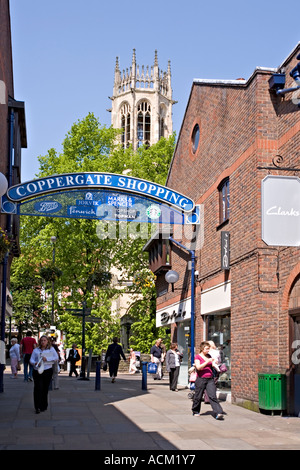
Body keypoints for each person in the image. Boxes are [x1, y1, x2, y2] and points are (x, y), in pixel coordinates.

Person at [191, 341, 225, 420]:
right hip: (201, 379)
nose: (208, 350)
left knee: (212, 396)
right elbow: (199, 367)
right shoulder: (198, 357)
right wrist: (207, 361)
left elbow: (212, 365)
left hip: (210, 379)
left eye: (209, 349)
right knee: (198, 396)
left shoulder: (209, 355)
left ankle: (218, 412)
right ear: (202, 349)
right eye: (206, 349)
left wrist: (215, 362)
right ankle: (195, 410)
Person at [29, 335, 59, 414]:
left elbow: (56, 358)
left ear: (47, 341)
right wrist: (34, 363)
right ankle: (37, 407)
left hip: (47, 370)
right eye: (41, 340)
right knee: (38, 388)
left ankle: (43, 405)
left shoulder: (51, 349)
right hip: (37, 371)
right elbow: (31, 359)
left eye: (44, 340)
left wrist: (47, 359)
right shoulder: (36, 350)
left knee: (45, 388)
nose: (43, 342)